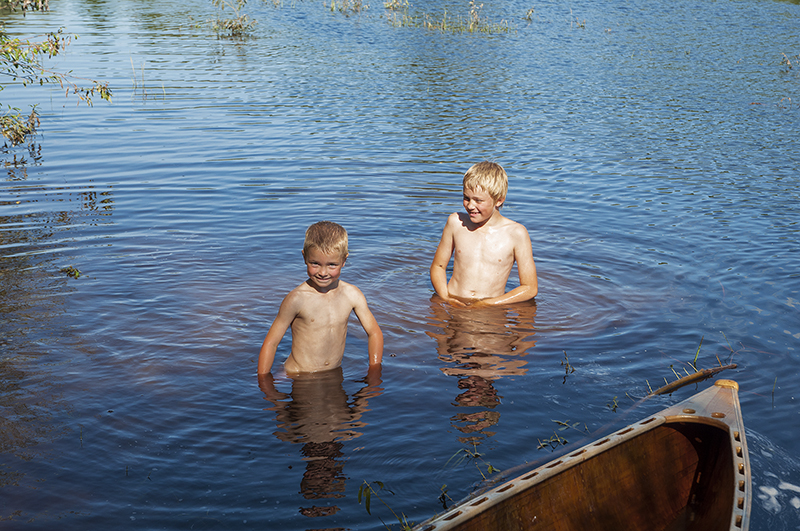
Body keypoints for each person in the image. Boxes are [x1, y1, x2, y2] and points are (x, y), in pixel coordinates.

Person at [258, 221, 383, 376]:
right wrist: (264, 381)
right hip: (298, 374)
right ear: (304, 257)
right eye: (315, 263)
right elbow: (271, 343)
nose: (323, 272)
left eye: (332, 265)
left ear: (344, 261)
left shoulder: (352, 294)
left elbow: (374, 333)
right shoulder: (297, 299)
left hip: (334, 372)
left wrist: (374, 370)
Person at [430, 161, 538, 307]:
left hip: (490, 309)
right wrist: (445, 297)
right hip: (453, 302)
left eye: (478, 200)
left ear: (499, 200)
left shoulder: (516, 233)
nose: (470, 205)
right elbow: (438, 266)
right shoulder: (456, 222)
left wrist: (487, 304)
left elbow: (529, 288)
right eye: (466, 198)